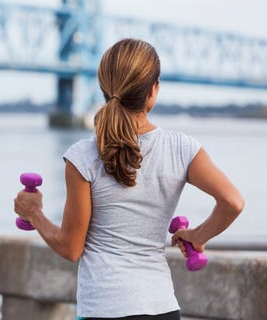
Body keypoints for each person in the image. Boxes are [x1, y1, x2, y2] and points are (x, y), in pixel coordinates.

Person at [13, 38, 244, 320]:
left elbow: (71, 248)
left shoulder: (83, 156)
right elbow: (232, 202)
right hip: (161, 307)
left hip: (104, 308)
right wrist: (198, 236)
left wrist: (34, 213)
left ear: (103, 87)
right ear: (153, 91)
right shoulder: (182, 148)